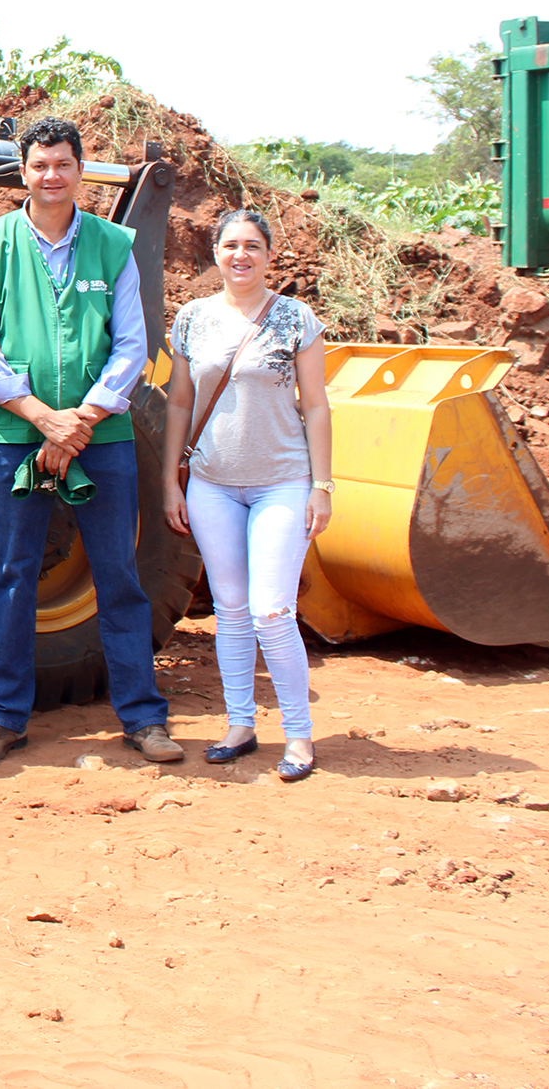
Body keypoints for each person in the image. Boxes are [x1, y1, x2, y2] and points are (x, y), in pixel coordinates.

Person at [0, 115, 177, 768]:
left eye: (63, 164)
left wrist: (79, 418)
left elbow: (133, 343)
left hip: (101, 437)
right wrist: (41, 418)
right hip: (13, 437)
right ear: (21, 173)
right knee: (15, 577)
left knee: (120, 577)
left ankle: (143, 717)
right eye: (40, 164)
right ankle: (3, 719)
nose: (51, 175)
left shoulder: (114, 246)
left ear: (80, 171)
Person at [162, 208, 334, 782]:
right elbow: (181, 404)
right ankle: (239, 725)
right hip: (212, 484)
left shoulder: (295, 319)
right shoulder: (191, 319)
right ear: (215, 253)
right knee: (230, 611)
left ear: (269, 255)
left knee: (271, 610)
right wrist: (171, 480)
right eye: (231, 245)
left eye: (253, 246)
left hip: (281, 484)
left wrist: (322, 486)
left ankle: (299, 736)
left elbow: (316, 406)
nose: (241, 255)